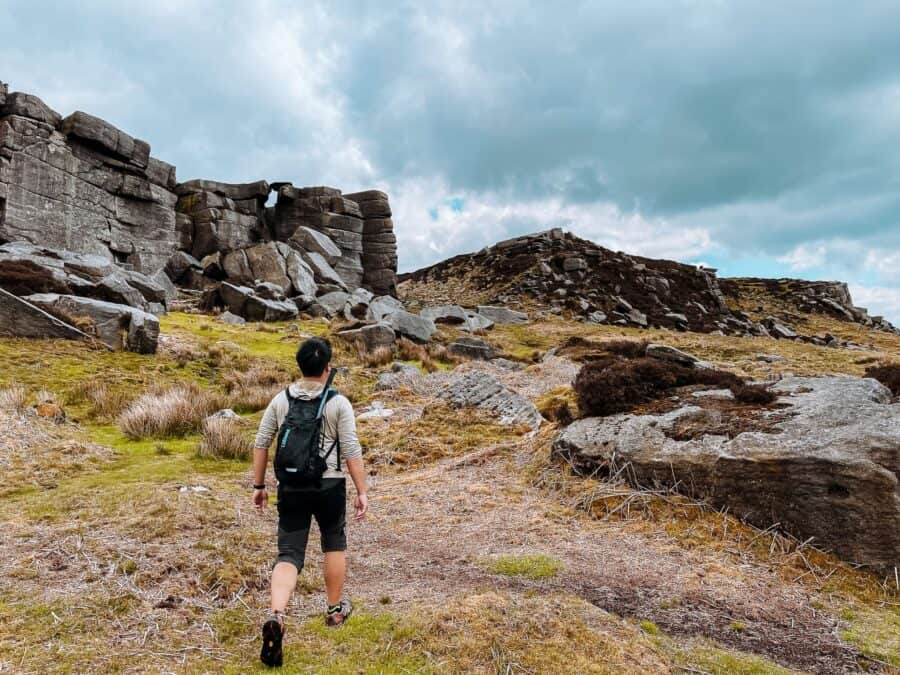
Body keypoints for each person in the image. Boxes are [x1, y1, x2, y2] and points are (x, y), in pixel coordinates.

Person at [251, 337, 368, 667]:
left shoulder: (281, 400)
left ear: (300, 365)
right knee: (333, 544)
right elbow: (351, 451)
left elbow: (261, 444)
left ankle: (277, 613)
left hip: (291, 486)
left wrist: (260, 485)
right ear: (327, 367)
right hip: (329, 486)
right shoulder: (338, 403)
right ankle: (334, 613)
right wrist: (361, 492)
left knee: (289, 552)